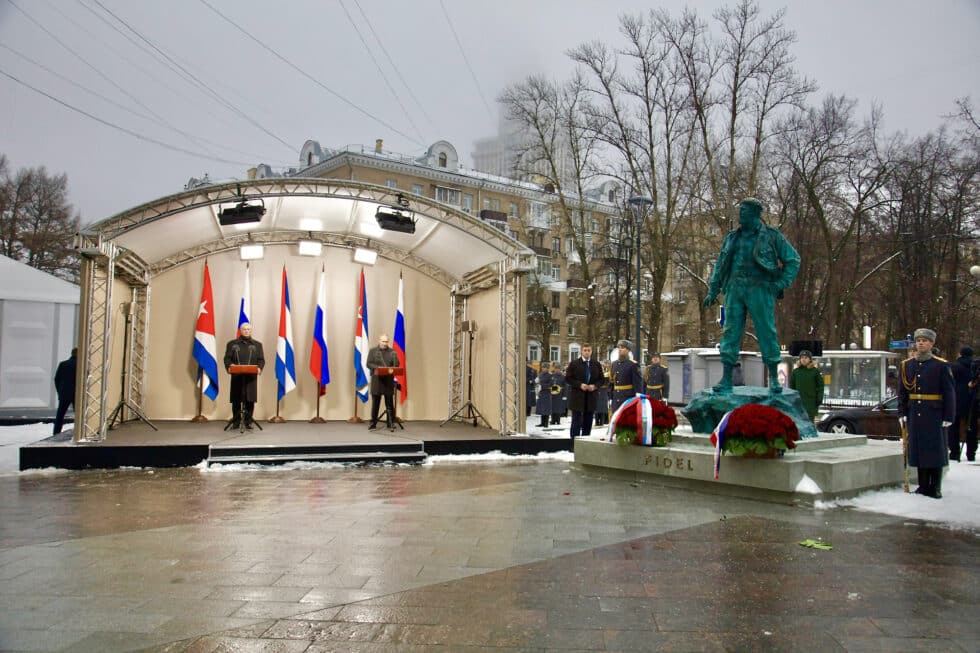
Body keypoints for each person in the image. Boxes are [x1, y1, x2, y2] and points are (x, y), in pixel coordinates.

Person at [703, 198, 801, 393]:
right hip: (735, 288)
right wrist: (713, 289)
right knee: (730, 333)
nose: (741, 215)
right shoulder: (732, 237)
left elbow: (793, 260)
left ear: (756, 214)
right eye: (741, 211)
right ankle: (726, 379)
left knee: (766, 331)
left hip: (760, 288)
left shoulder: (771, 236)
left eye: (745, 212)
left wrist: (781, 283)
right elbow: (721, 265)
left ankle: (774, 378)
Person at [897, 328, 955, 499]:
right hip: (915, 412)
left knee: (935, 451)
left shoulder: (941, 365)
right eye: (919, 340)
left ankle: (935, 487)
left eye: (925, 340)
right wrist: (902, 412)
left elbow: (949, 392)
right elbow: (902, 392)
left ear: (931, 344)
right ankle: (923, 486)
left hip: (934, 414)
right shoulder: (907, 365)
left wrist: (948, 416)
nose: (921, 343)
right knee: (919, 450)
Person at [224, 323, 265, 429]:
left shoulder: (257, 345)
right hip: (237, 376)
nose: (246, 331)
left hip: (251, 377)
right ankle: (236, 422)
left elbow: (261, 360)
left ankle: (248, 421)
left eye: (248, 329)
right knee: (236, 399)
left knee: (250, 399)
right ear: (240, 330)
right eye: (244, 329)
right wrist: (229, 366)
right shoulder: (232, 344)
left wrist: (259, 368)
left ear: (251, 331)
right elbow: (227, 359)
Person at [565, 345, 606, 447]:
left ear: (591, 351)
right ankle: (573, 444)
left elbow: (601, 379)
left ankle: (585, 444)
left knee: (588, 421)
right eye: (585, 350)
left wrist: (595, 386)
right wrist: (579, 385)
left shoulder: (596, 364)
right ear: (581, 351)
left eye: (589, 350)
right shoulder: (574, 364)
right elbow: (568, 379)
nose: (587, 352)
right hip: (577, 397)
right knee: (576, 421)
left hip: (591, 396)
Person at [367, 333, 400, 430]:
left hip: (388, 381)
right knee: (375, 403)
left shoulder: (392, 352)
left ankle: (390, 423)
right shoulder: (373, 351)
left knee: (389, 403)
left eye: (386, 341)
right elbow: (368, 364)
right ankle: (373, 423)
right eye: (383, 341)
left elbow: (396, 365)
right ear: (379, 341)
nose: (385, 343)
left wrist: (395, 363)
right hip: (377, 381)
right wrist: (378, 368)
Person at [950, 346, 976, 461]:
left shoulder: (954, 367)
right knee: (971, 427)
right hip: (972, 401)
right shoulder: (975, 367)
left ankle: (954, 452)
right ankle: (971, 453)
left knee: (953, 428)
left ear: (960, 354)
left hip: (955, 400)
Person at [789, 350, 824, 420]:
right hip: (798, 403)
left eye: (806, 357)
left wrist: (819, 398)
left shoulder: (815, 372)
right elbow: (792, 387)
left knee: (809, 423)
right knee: (799, 423)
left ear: (810, 359)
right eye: (802, 357)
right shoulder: (795, 372)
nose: (803, 359)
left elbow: (820, 386)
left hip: (811, 403)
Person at [610, 340, 642, 412]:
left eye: (622, 348)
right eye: (619, 347)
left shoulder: (633, 365)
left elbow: (637, 384)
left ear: (628, 350)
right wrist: (610, 397)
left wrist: (638, 398)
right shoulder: (614, 364)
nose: (620, 349)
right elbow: (612, 382)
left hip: (628, 398)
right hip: (616, 399)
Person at [52, 347, 77, 435]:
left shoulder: (63, 364)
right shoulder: (80, 365)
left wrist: (60, 391)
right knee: (78, 415)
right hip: (76, 394)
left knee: (60, 415)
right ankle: (77, 432)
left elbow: (56, 379)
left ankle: (56, 432)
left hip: (64, 393)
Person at [535, 363, 554, 428]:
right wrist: (537, 383)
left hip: (547, 394)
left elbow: (551, 385)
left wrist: (542, 386)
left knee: (546, 409)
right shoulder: (540, 375)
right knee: (541, 409)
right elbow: (537, 383)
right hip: (541, 394)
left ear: (548, 368)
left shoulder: (550, 375)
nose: (544, 368)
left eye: (545, 367)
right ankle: (542, 423)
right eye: (543, 367)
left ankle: (546, 424)